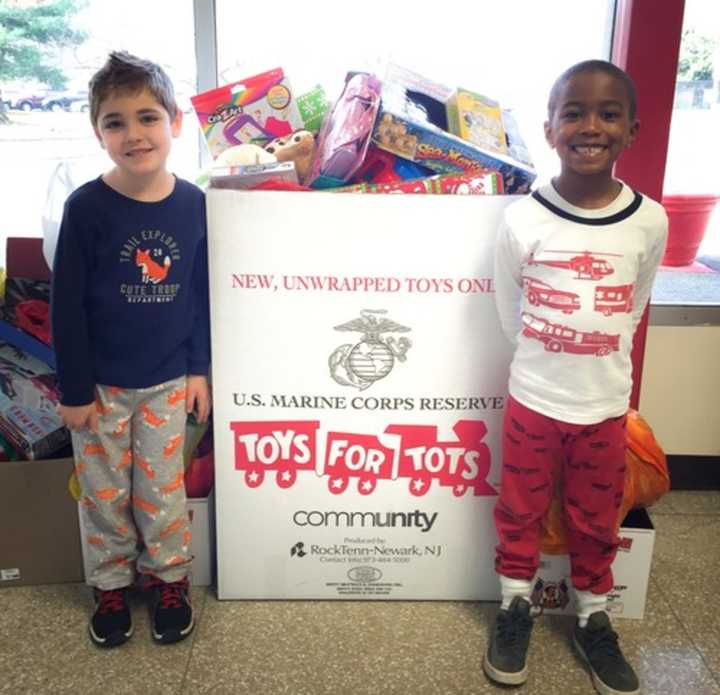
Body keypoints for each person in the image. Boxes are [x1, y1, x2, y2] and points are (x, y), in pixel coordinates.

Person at [485, 60, 667, 694]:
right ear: (550, 126)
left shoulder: (651, 221)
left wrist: (597, 365)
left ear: (632, 129)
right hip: (534, 400)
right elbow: (509, 306)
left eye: (608, 114)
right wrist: (544, 362)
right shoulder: (524, 219)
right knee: (520, 509)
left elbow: (635, 306)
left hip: (605, 407)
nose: (591, 126)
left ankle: (593, 617)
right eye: (574, 113)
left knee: (596, 518)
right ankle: (513, 606)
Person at [50, 51, 211, 648]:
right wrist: (72, 391)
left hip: (168, 382)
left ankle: (169, 579)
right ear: (99, 134)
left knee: (162, 491)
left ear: (174, 123)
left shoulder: (193, 203)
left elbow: (197, 295)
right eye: (116, 122)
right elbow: (66, 308)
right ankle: (111, 585)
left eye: (147, 117)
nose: (133, 134)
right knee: (104, 496)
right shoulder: (86, 209)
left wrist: (199, 368)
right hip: (99, 389)